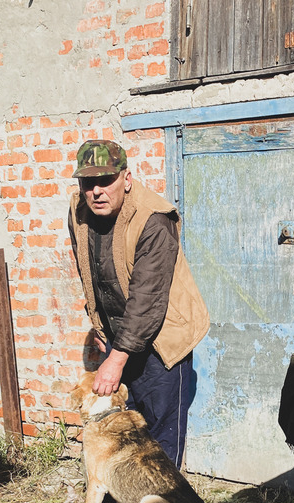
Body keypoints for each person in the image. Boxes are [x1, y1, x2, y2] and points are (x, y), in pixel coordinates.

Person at [67, 140, 209, 468]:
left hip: (163, 337)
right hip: (121, 335)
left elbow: (147, 299)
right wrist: (100, 324)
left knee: (160, 438)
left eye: (107, 180)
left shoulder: (154, 220)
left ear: (126, 179)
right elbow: (89, 270)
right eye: (89, 183)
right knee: (121, 432)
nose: (97, 191)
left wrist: (115, 362)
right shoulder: (78, 210)